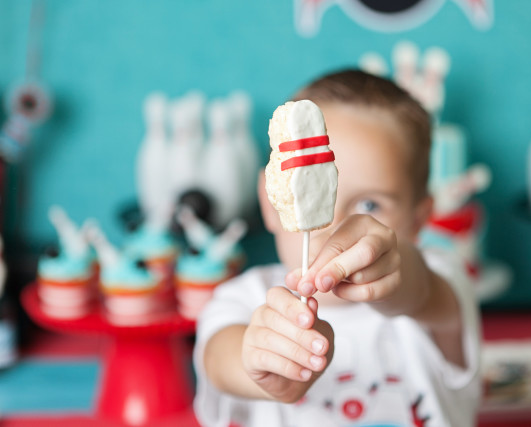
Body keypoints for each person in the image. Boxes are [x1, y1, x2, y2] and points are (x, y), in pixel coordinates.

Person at [193, 69, 480, 426]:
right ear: (271, 201)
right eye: (311, 192)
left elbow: (418, 287)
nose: (334, 227)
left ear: (418, 221)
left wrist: (389, 263)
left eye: (370, 205)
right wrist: (260, 363)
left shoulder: (439, 280)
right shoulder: (240, 300)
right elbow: (220, 358)